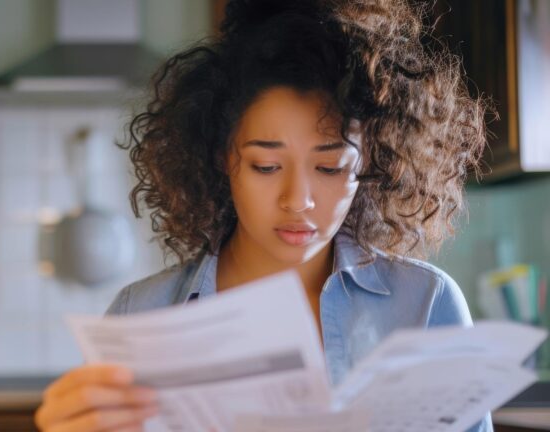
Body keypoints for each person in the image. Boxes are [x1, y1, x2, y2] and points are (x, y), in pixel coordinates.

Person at [35, 0, 492, 430]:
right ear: (220, 157)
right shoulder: (142, 316)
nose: (298, 200)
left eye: (330, 167)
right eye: (266, 166)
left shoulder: (426, 305)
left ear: (371, 161)